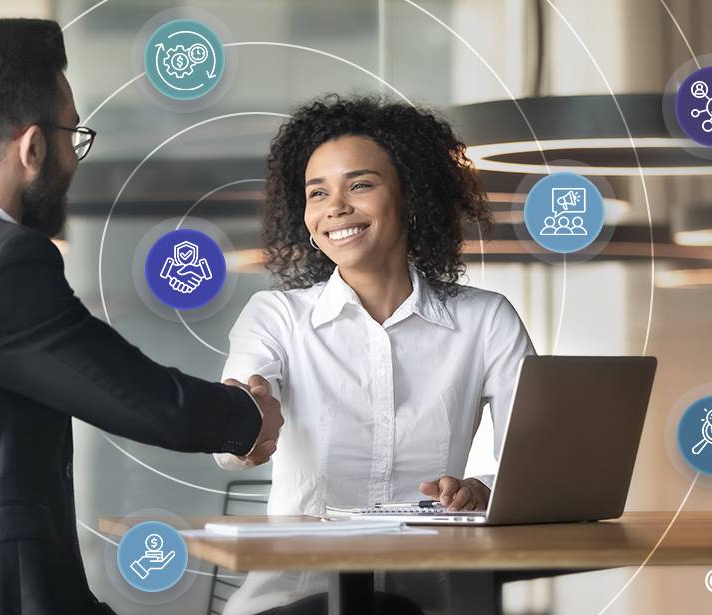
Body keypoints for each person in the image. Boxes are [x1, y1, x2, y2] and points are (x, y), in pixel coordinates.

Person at [0, 19, 281, 615]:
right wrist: (246, 417)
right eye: (73, 135)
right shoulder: (1, 260)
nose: (74, 159)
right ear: (32, 148)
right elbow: (129, 392)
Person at [216, 95, 535, 615]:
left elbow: (536, 471)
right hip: (292, 599)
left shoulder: (485, 320)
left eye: (360, 185)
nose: (335, 207)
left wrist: (482, 490)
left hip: (428, 599)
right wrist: (244, 424)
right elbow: (234, 436)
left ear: (411, 196)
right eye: (317, 193)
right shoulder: (274, 316)